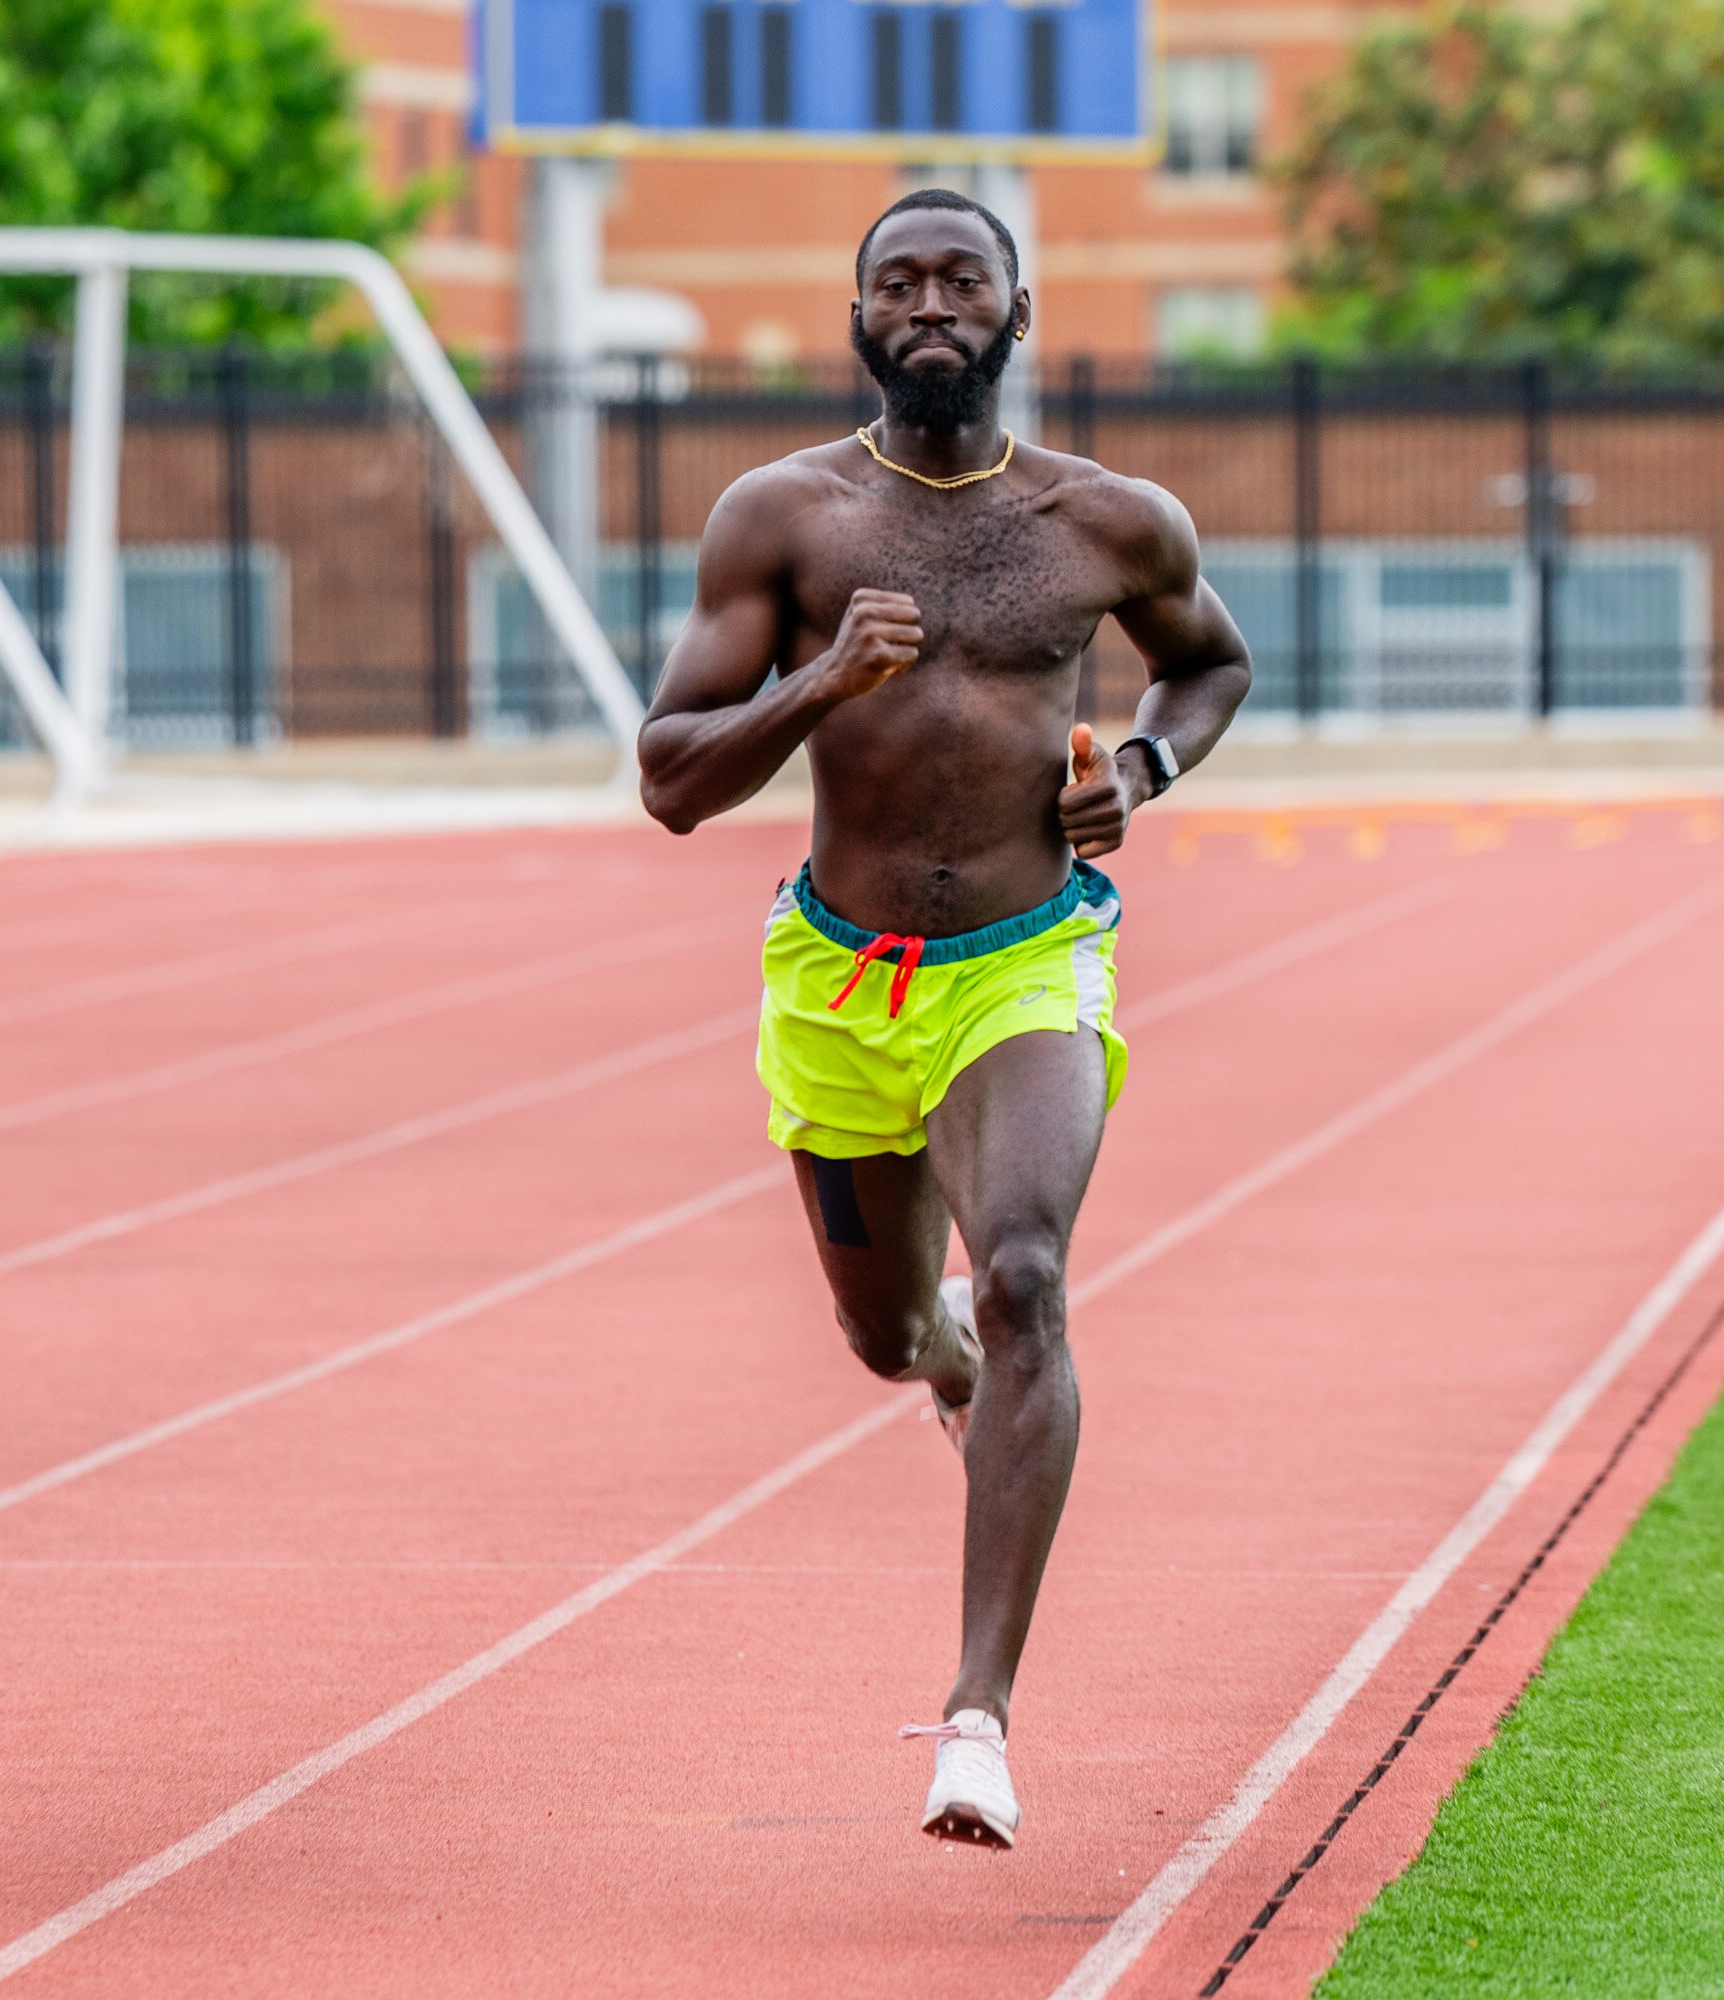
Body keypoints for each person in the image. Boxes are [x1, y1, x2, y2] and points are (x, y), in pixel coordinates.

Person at [637, 189, 1252, 1847]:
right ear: (856, 319)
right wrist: (819, 685)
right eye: (896, 281)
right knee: (884, 1334)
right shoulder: (783, 519)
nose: (927, 303)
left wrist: (1137, 767)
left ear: (1016, 310)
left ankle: (976, 1717)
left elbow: (1212, 666)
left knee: (1035, 1271)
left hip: (1026, 957)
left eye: (957, 279)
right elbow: (668, 783)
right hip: (842, 980)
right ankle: (939, 1349)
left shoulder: (1107, 521)